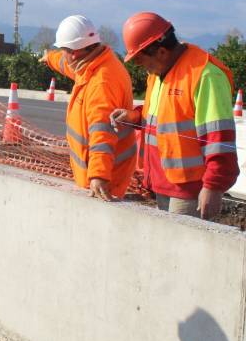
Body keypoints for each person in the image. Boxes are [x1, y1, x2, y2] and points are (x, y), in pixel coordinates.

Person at [110, 12, 238, 219]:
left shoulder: (205, 75)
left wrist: (213, 186)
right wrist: (134, 116)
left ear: (161, 51)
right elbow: (163, 115)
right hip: (162, 182)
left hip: (188, 190)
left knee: (180, 248)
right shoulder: (160, 72)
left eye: (142, 62)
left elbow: (219, 138)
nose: (143, 69)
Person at [41, 15, 138, 200]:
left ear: (74, 53)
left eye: (63, 51)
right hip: (98, 173)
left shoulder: (101, 82)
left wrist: (98, 175)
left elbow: (102, 131)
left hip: (106, 181)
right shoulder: (91, 65)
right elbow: (66, 65)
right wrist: (49, 58)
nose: (62, 56)